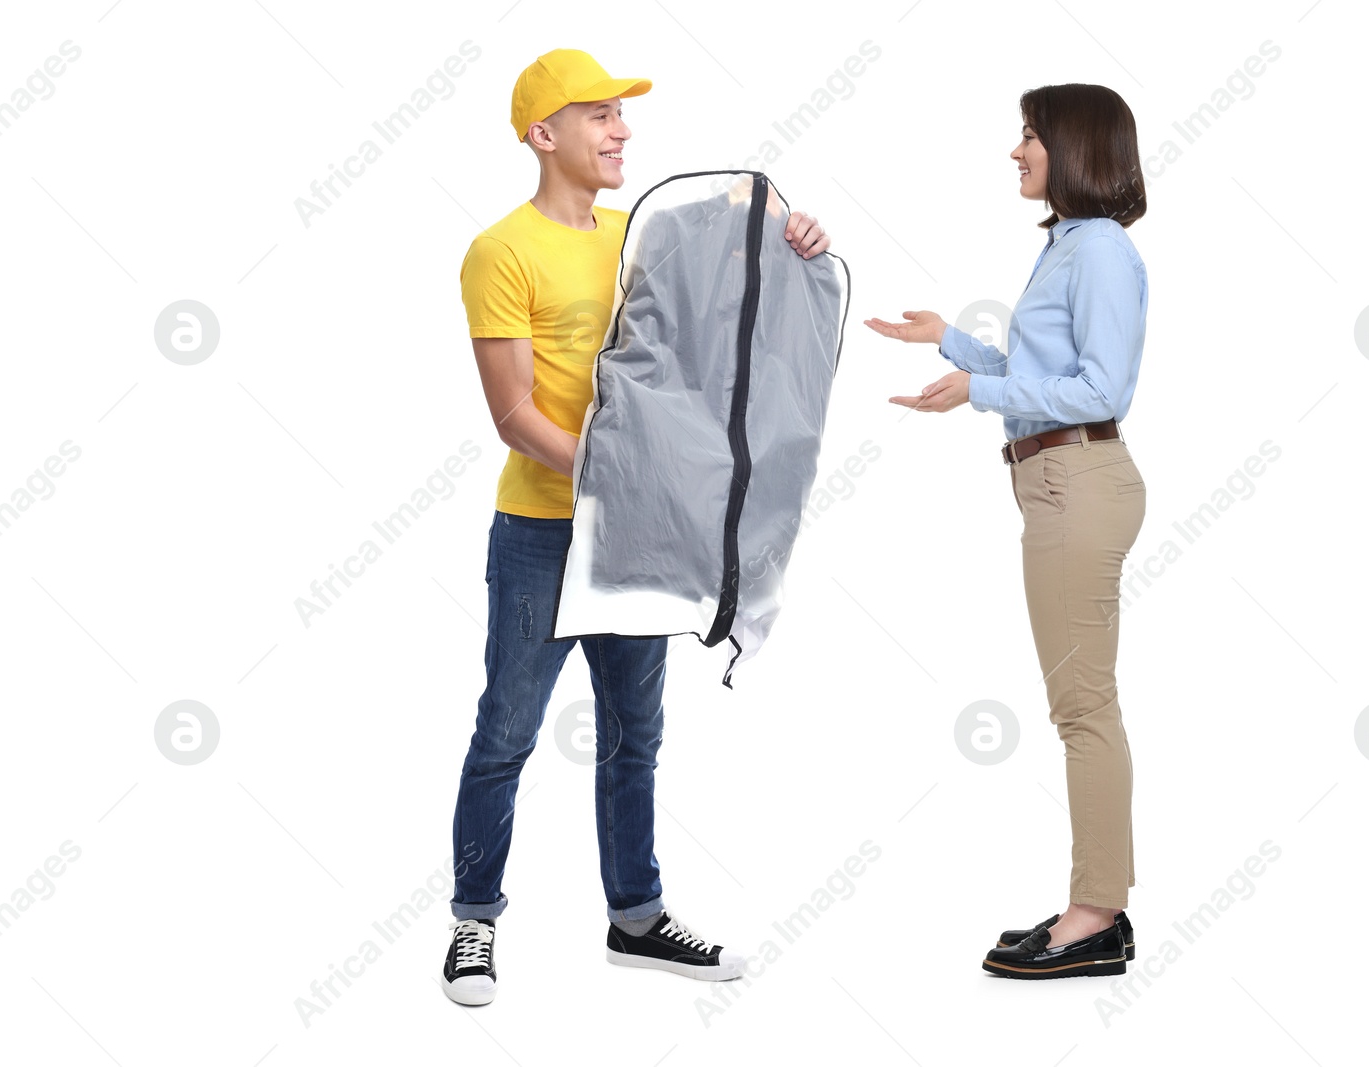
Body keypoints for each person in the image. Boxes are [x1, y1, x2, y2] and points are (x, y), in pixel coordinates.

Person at [443, 48, 832, 1006]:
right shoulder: (501, 251)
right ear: (544, 135)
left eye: (623, 116)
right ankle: (473, 923)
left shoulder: (637, 237)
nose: (623, 131)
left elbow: (740, 272)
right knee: (506, 731)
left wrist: (796, 235)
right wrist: (624, 475)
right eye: (600, 116)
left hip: (634, 539)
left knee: (635, 735)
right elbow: (515, 415)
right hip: (543, 530)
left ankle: (637, 919)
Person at [865, 82, 1149, 980]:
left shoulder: (1100, 250)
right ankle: (1094, 905)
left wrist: (981, 390)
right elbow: (1041, 373)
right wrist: (953, 341)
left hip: (1078, 484)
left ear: (1073, 147)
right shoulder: (1069, 245)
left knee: (1083, 709)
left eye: (1029, 136)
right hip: (1056, 483)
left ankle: (1095, 915)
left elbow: (1103, 390)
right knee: (1082, 704)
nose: (1016, 152)